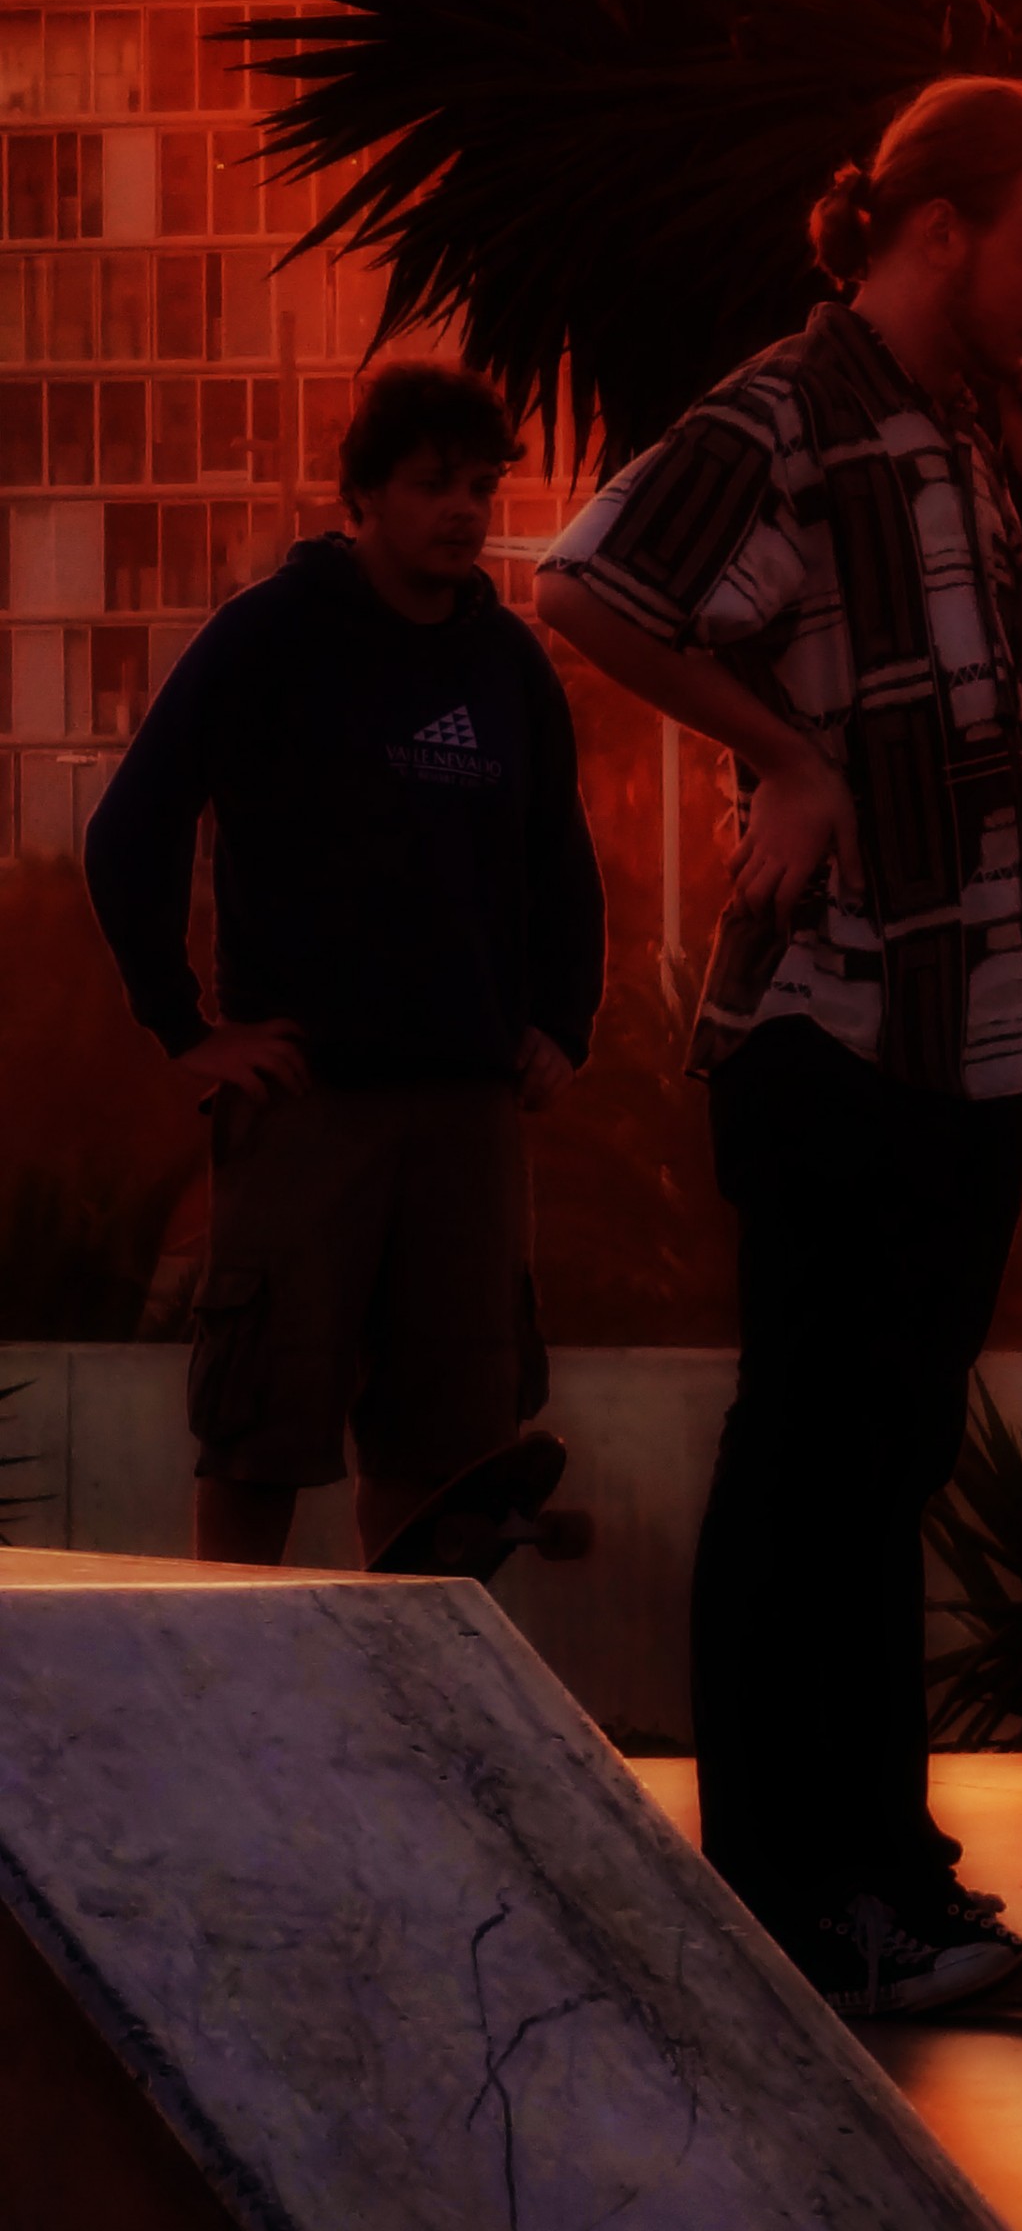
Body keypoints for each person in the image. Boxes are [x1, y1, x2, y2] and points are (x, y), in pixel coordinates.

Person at [533, 75, 1022, 2014]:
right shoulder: (784, 414)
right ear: (937, 229)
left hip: (974, 1004)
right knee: (817, 1438)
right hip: (831, 1011)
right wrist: (780, 756)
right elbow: (590, 581)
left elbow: (1020, 741)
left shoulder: (972, 434)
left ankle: (887, 1875)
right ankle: (797, 1893)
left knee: (896, 1445)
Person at [85, 361, 603, 1567]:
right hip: (307, 1104)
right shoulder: (269, 635)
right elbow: (131, 830)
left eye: (479, 487)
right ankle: (230, 1676)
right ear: (363, 494)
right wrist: (185, 1027)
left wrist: (563, 1021)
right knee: (258, 1433)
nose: (462, 511)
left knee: (450, 1465)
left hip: (467, 1116)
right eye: (432, 485)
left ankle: (412, 1683)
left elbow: (560, 860)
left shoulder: (506, 663)